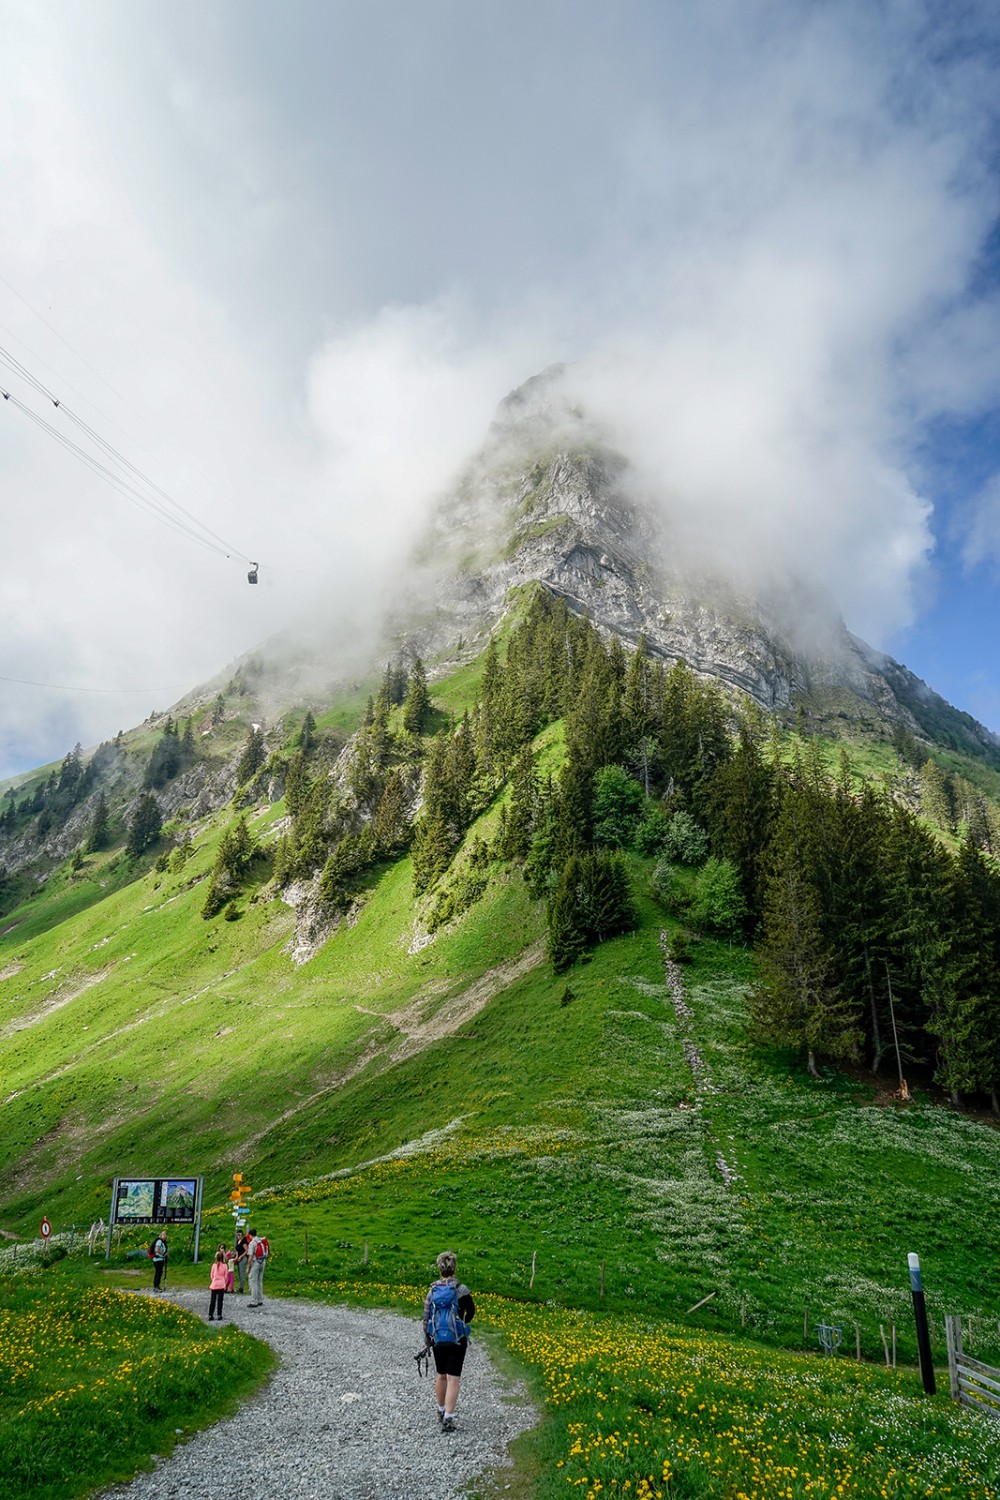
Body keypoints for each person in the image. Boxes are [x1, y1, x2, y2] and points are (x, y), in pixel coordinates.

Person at [422, 1251, 475, 1433]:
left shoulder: (433, 1291)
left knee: (441, 1375)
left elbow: (426, 1317)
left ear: (439, 1268)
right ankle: (449, 1418)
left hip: (438, 1339)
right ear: (454, 1267)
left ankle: (440, 1409)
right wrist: (462, 1324)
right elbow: (472, 1311)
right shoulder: (461, 1289)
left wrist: (428, 1339)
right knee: (453, 1379)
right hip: (457, 1340)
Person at [246, 1227, 268, 1306]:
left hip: (255, 1262)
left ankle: (254, 1301)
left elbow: (250, 1256)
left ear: (250, 1235)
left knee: (253, 1281)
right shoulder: (261, 1241)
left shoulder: (252, 1243)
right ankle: (260, 1299)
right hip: (262, 1261)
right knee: (259, 1281)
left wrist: (248, 1267)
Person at [208, 1250, 228, 1321]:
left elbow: (211, 1275)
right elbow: (226, 1276)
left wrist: (214, 1279)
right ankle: (219, 1314)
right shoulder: (225, 1265)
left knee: (212, 1300)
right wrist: (223, 1280)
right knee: (220, 1301)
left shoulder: (214, 1265)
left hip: (214, 1284)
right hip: (221, 1284)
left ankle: (210, 1314)